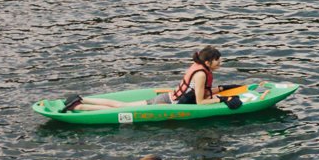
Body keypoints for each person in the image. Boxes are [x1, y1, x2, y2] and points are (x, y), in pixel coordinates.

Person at [63, 47, 226, 112]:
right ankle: (79, 108)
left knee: (121, 105)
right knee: (120, 108)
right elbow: (200, 101)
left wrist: (224, 88)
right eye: (217, 60)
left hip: (166, 98)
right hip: (166, 104)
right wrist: (222, 99)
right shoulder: (201, 74)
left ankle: (82, 100)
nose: (220, 62)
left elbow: (200, 92)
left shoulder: (198, 67)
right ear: (207, 63)